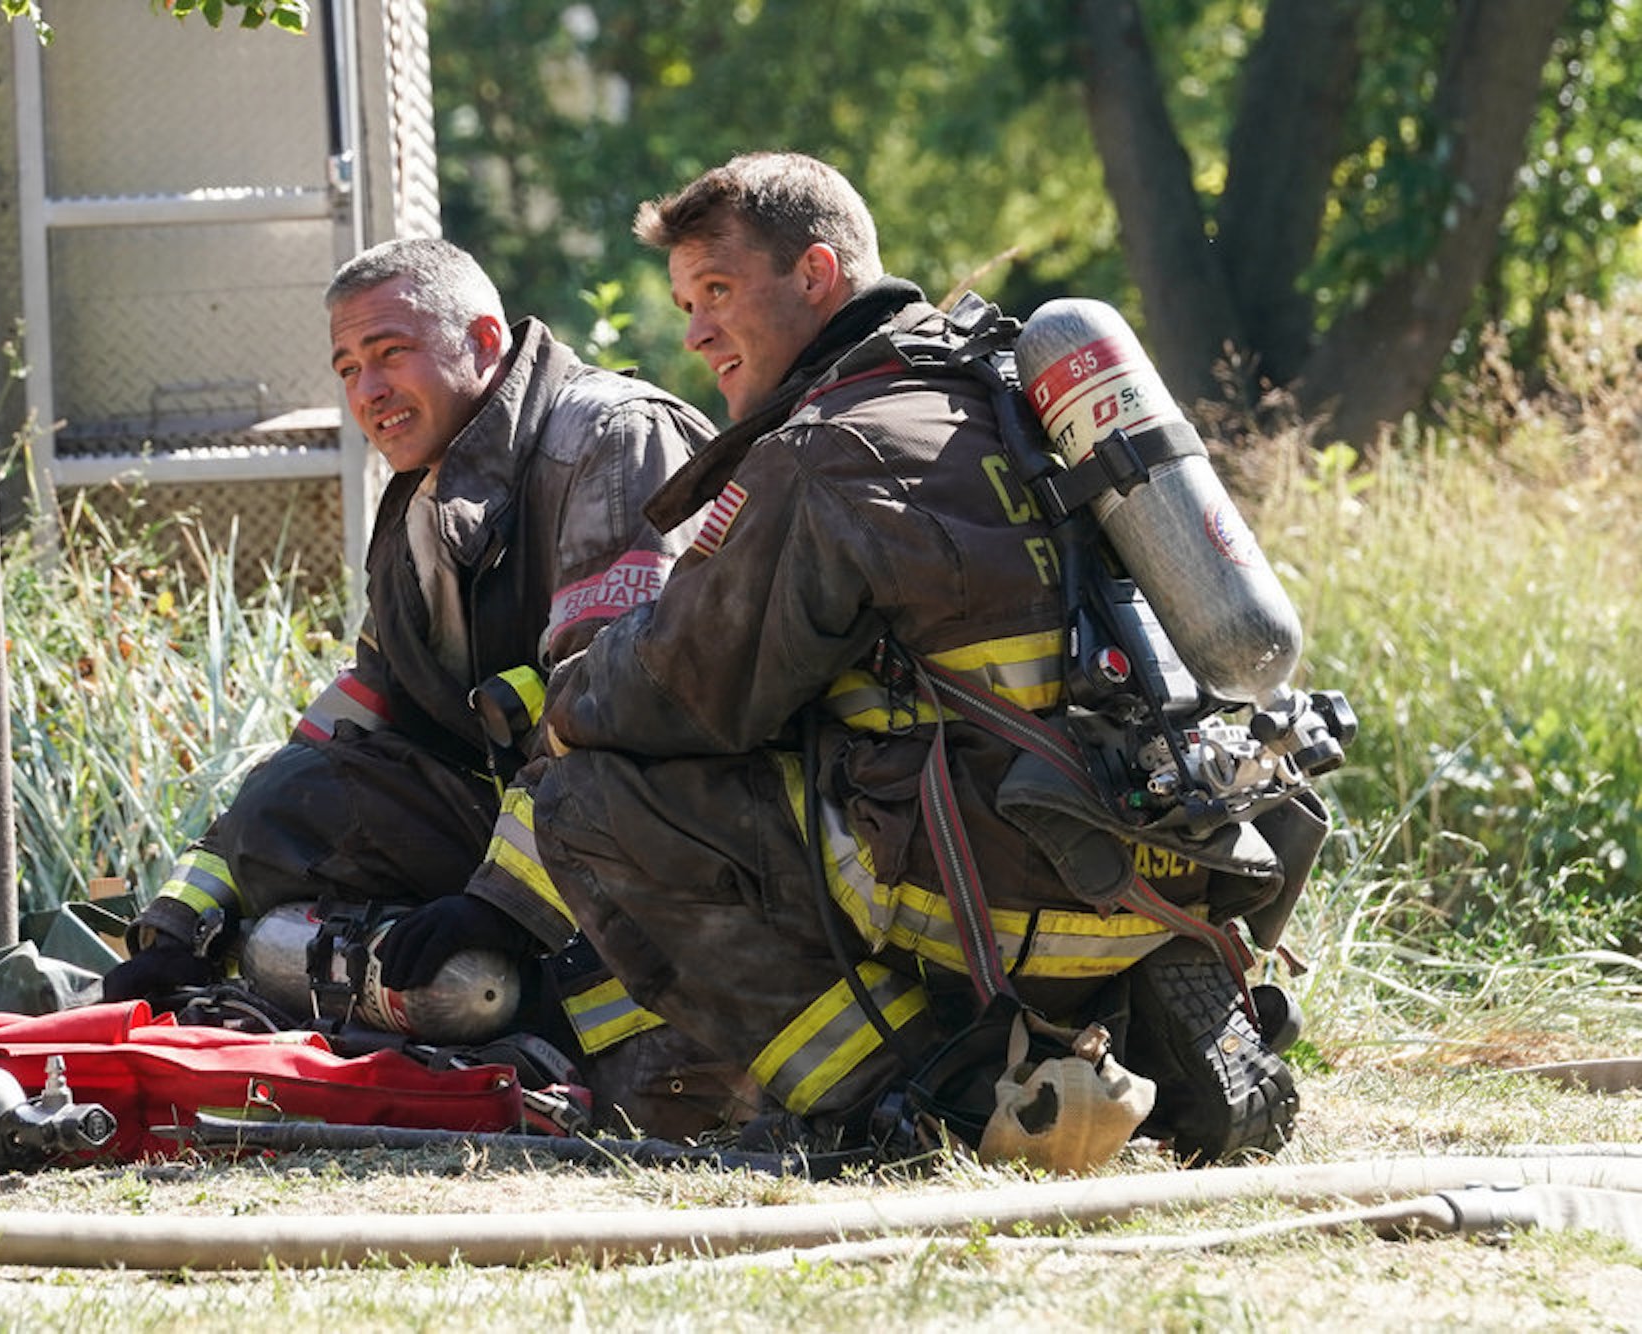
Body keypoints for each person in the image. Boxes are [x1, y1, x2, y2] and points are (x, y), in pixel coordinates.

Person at [501, 152, 1324, 1165]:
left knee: (589, 800)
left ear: (813, 275)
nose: (693, 331)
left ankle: (921, 1093)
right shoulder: (1014, 400)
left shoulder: (830, 450)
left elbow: (685, 687)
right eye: (683, 302)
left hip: (995, 895)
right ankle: (1129, 1010)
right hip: (1170, 868)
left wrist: (570, 689)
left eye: (716, 291)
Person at [102, 238, 716, 1041]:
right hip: (541, 843)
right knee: (297, 798)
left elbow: (619, 713)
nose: (370, 390)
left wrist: (500, 905)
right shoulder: (421, 505)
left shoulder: (609, 443)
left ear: (485, 342)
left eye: (392, 353)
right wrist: (181, 929)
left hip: (674, 845)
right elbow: (332, 741)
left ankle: (572, 1023)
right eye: (349, 368)